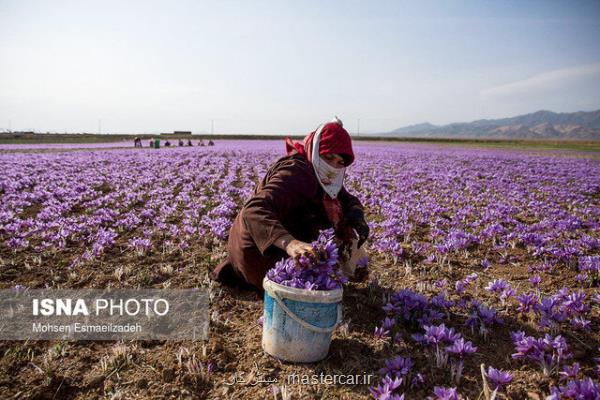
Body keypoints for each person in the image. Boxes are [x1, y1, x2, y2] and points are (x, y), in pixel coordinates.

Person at [212, 117, 369, 293]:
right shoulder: (297, 172)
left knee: (350, 255)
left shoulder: (319, 172)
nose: (333, 167)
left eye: (340, 162)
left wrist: (356, 212)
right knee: (327, 265)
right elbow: (254, 209)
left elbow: (342, 195)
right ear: (315, 150)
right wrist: (291, 244)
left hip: (260, 249)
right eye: (328, 157)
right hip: (258, 253)